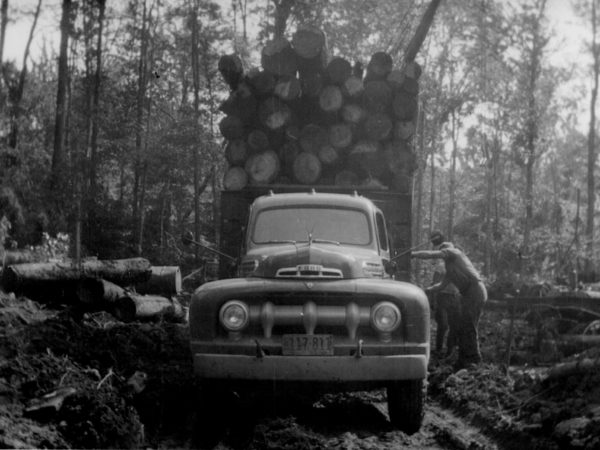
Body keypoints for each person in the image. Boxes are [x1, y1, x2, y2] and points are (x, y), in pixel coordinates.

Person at [412, 231, 488, 369]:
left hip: (475, 290)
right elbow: (440, 285)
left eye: (444, 251)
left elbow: (430, 255)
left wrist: (413, 255)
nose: (443, 254)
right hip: (468, 294)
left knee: (469, 326)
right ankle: (464, 358)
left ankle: (474, 359)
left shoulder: (456, 253)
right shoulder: (450, 269)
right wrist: (425, 290)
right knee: (464, 326)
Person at [430, 266, 460, 357]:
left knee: (454, 325)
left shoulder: (460, 269)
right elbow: (434, 285)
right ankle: (438, 349)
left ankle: (450, 350)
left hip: (455, 298)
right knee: (443, 324)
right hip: (442, 297)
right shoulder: (440, 268)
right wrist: (433, 301)